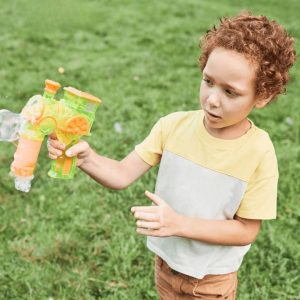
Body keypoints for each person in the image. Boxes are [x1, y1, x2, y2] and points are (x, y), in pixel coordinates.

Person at [47, 12, 296, 299]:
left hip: (211, 280)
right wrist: (87, 158)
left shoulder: (258, 151)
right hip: (165, 266)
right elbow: (121, 174)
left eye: (231, 92)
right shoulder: (173, 126)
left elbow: (246, 230)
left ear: (262, 96)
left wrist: (178, 224)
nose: (212, 99)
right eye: (208, 81)